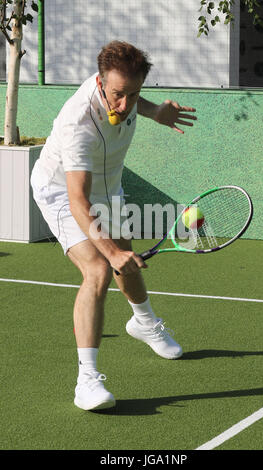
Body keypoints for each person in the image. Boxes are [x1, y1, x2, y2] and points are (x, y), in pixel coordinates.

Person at [31, 41, 197, 411]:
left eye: (134, 94)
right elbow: (78, 201)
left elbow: (134, 100)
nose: (124, 105)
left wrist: (156, 112)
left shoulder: (127, 95)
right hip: (62, 192)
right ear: (100, 82)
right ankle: (86, 382)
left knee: (125, 255)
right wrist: (109, 252)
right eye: (118, 95)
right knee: (99, 269)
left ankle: (144, 322)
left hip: (109, 185)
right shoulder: (80, 124)